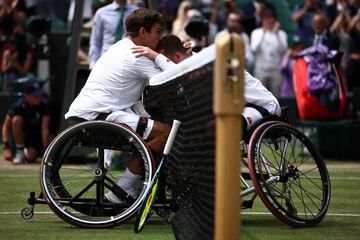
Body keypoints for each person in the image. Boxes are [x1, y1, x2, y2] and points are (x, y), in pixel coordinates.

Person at [65, 8, 186, 203]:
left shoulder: (120, 47)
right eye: (157, 31)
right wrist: (159, 56)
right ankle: (122, 192)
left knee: (158, 134)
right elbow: (177, 77)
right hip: (97, 119)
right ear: (143, 33)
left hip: (89, 116)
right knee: (166, 134)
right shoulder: (136, 55)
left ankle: (137, 179)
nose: (160, 36)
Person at [155, 34, 281, 133]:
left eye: (167, 61)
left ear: (177, 56)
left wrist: (155, 56)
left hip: (263, 106)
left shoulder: (209, 63)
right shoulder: (194, 67)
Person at [2, 77, 50, 164]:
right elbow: (5, 126)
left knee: (44, 157)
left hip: (41, 136)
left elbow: (45, 129)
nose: (38, 97)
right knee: (17, 119)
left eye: (39, 94)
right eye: (35, 95)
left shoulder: (44, 104)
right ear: (26, 95)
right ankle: (20, 152)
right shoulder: (18, 106)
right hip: (29, 137)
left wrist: (46, 151)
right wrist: (6, 147)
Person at [88, 0, 138, 69]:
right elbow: (95, 41)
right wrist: (93, 64)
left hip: (129, 62)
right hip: (106, 62)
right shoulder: (101, 13)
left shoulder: (137, 13)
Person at [250, 8, 288, 96]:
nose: (268, 21)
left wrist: (277, 34)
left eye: (270, 19)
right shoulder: (256, 33)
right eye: (266, 19)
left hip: (275, 69)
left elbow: (284, 50)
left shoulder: (281, 34)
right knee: (260, 96)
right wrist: (263, 34)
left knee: (276, 96)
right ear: (263, 20)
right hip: (261, 70)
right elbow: (254, 49)